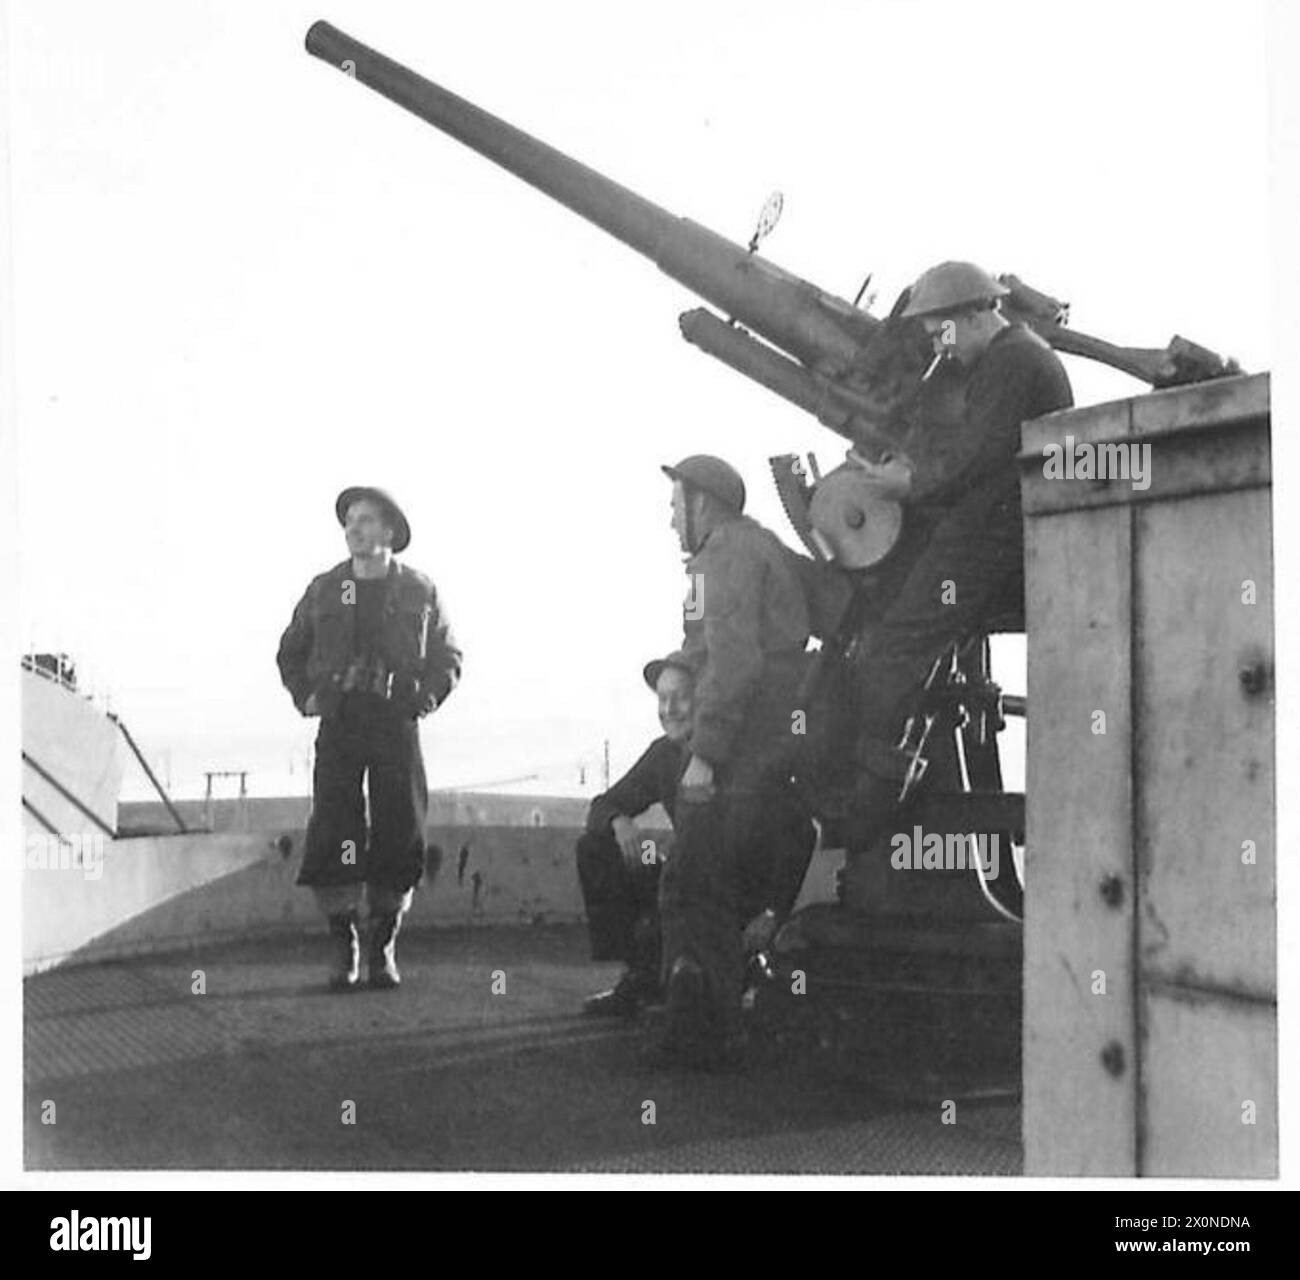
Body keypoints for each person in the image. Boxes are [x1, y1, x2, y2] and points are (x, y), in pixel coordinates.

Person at [839, 261, 1073, 841]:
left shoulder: (1014, 361)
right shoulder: (1014, 357)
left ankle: (873, 796)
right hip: (992, 528)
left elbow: (977, 457)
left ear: (974, 313)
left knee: (895, 642)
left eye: (938, 330)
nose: (936, 345)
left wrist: (906, 484)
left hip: (990, 539)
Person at [653, 454, 816, 1068]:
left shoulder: (724, 554)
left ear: (703, 504)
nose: (671, 522)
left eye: (676, 507)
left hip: (745, 735)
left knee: (698, 874)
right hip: (771, 731)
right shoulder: (751, 546)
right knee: (705, 876)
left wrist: (706, 755)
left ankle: (707, 1032)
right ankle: (700, 1016)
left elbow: (734, 661)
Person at [277, 486, 462, 992]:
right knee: (337, 827)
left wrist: (422, 699)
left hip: (395, 724)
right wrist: (308, 697)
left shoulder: (417, 591)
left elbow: (448, 657)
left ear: (389, 532)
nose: (353, 529)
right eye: (350, 521)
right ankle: (344, 943)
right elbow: (291, 652)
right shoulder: (330, 589)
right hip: (341, 722)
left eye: (364, 521)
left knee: (399, 828)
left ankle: (382, 944)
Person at [576, 650, 695, 1018]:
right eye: (662, 699)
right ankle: (639, 974)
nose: (669, 709)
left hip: (727, 885)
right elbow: (603, 805)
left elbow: (792, 830)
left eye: (681, 697)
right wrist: (620, 822)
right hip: (681, 877)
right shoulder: (664, 755)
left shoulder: (732, 755)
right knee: (596, 847)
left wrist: (773, 911)